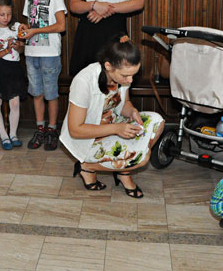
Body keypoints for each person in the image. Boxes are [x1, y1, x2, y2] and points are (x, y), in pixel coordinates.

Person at [60, 35, 164, 198]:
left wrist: (132, 111)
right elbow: (75, 130)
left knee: (157, 121)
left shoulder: (122, 76)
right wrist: (116, 129)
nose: (130, 80)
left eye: (133, 75)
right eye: (126, 76)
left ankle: (123, 171)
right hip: (88, 139)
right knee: (142, 159)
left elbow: (124, 104)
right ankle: (87, 167)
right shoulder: (84, 81)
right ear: (108, 66)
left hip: (114, 125)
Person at [20, 0, 67, 151]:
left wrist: (36, 31)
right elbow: (29, 24)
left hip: (49, 54)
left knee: (51, 94)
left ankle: (52, 129)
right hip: (31, 52)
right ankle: (40, 128)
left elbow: (61, 26)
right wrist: (24, 29)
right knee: (36, 93)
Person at [0, 0, 27, 150]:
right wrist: (5, 50)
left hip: (14, 68)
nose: (6, 18)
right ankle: (3, 135)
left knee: (15, 102)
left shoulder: (16, 27)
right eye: (2, 14)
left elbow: (22, 49)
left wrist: (18, 47)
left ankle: (13, 134)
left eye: (9, 14)